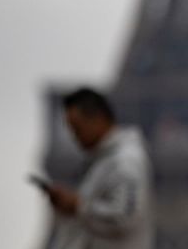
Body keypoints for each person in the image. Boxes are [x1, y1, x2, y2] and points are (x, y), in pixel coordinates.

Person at [41, 88, 154, 249]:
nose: (75, 136)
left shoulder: (125, 161)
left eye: (77, 128)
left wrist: (77, 206)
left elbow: (125, 217)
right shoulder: (105, 162)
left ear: (98, 118)